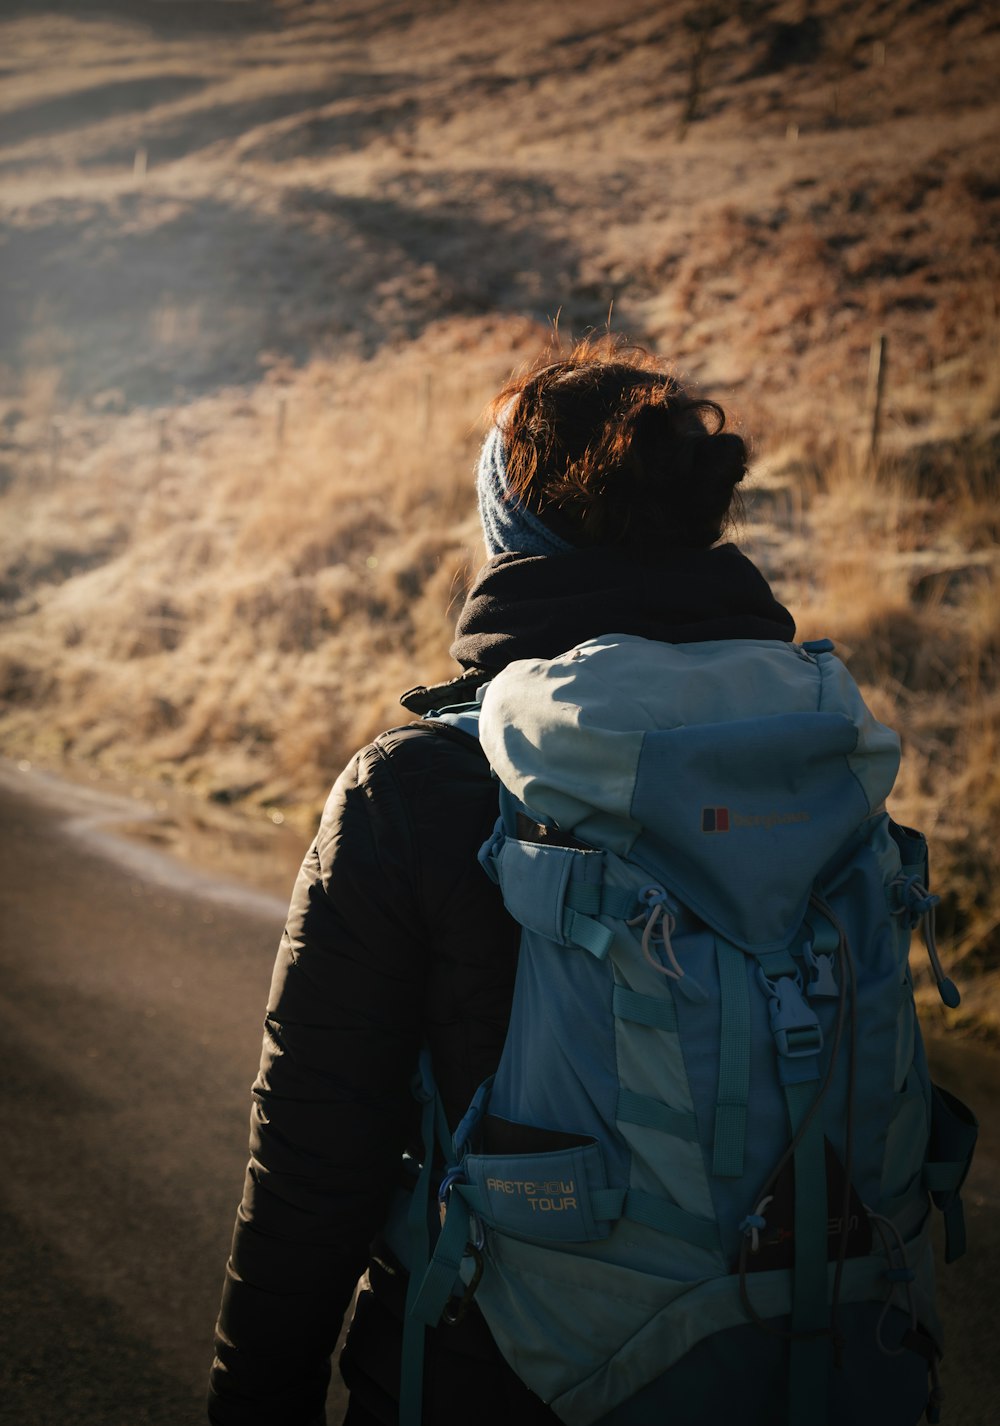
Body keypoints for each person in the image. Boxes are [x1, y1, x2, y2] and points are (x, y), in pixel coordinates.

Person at [207, 337, 798, 1426]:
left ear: (509, 537)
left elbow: (313, 1165)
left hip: (495, 1373)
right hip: (793, 1365)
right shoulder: (809, 757)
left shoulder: (419, 788)